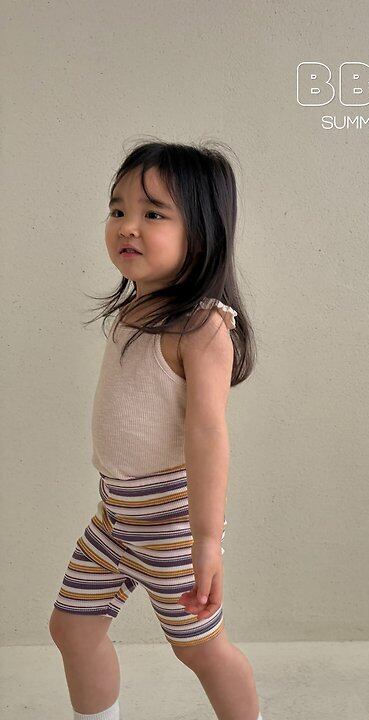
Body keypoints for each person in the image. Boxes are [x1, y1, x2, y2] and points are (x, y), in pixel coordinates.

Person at [48, 139, 262, 720]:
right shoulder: (134, 310)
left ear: (202, 234)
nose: (128, 225)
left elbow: (208, 435)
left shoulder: (201, 325)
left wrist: (207, 540)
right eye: (118, 210)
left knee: (201, 649)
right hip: (115, 517)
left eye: (153, 213)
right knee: (72, 627)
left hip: (172, 525)